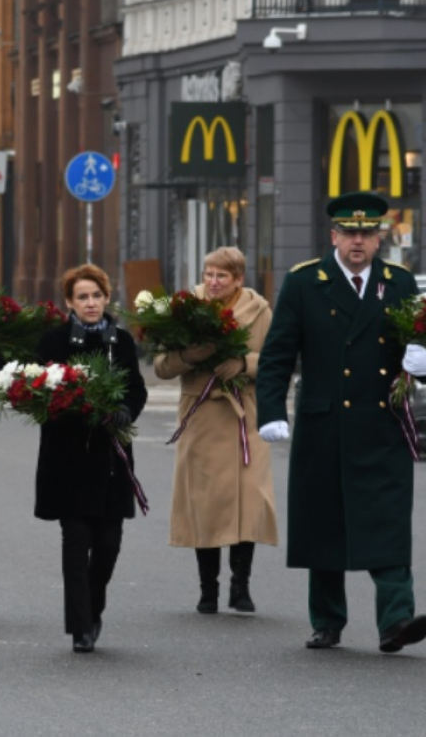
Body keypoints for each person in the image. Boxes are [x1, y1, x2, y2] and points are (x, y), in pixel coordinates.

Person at [256, 191, 426, 654]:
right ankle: (327, 621)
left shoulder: (399, 283)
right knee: (325, 522)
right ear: (334, 235)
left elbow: (424, 346)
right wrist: (272, 411)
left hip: (383, 424)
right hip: (326, 424)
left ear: (380, 237)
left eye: (367, 233)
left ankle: (396, 620)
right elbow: (279, 353)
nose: (358, 242)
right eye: (349, 233)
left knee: (388, 520)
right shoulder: (305, 282)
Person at [153, 246, 278, 615]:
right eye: (208, 274)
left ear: (239, 279)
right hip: (201, 412)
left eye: (221, 276)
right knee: (204, 503)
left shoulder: (260, 311)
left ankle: (241, 587)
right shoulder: (185, 310)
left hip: (244, 414)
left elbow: (276, 358)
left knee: (250, 500)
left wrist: (243, 362)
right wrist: (189, 356)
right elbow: (161, 365)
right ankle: (208, 589)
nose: (212, 282)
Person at [33, 264, 148, 653]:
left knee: (109, 545)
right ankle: (81, 626)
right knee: (75, 539)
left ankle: (92, 608)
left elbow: (137, 389)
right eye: (82, 297)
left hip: (111, 458)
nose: (91, 303)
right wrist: (68, 405)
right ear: (70, 302)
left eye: (96, 295)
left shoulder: (122, 341)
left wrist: (126, 412)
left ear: (106, 298)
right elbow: (38, 392)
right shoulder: (53, 341)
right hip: (67, 458)